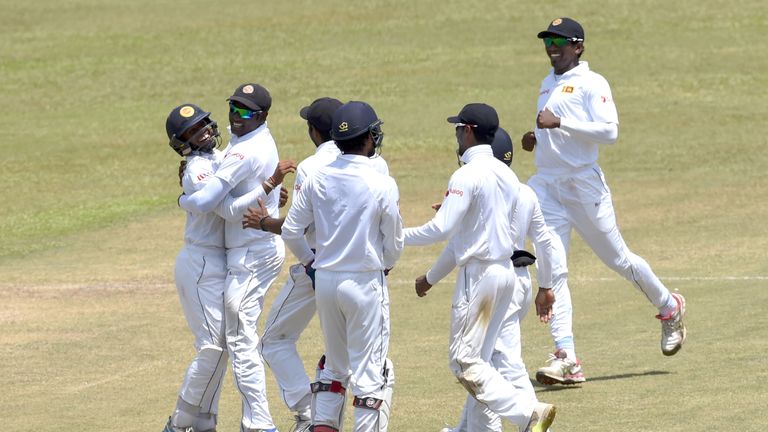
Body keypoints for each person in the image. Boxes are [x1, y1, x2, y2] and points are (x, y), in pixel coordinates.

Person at [520, 17, 687, 385]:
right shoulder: (548, 83)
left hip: (583, 187)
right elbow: (555, 126)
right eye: (548, 40)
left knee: (619, 260)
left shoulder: (593, 83)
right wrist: (537, 137)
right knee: (553, 266)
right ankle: (567, 357)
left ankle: (668, 306)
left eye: (559, 41)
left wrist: (559, 124)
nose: (551, 46)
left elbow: (609, 131)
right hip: (547, 187)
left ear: (578, 46)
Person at [241, 97, 392, 432]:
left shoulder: (311, 167)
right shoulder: (376, 165)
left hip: (318, 270)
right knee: (366, 362)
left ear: (314, 131)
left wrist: (268, 224)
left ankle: (311, 414)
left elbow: (302, 227)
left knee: (276, 341)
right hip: (365, 272)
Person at [406, 103, 556, 432]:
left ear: (469, 130)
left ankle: (527, 412)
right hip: (505, 275)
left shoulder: (466, 174)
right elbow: (464, 231)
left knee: (463, 361)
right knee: (480, 363)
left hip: (480, 277)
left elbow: (441, 230)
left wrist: (393, 238)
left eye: (458, 129)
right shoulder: (507, 174)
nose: (457, 136)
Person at [178, 83, 295, 432]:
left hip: (250, 254)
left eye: (245, 112)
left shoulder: (243, 151)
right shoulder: (241, 143)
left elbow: (223, 210)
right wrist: (269, 190)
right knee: (224, 344)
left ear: (262, 116)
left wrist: (268, 188)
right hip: (239, 255)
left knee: (238, 342)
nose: (236, 117)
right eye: (233, 107)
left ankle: (257, 425)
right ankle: (206, 422)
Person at [281, 101, 403, 432]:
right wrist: (387, 265)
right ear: (367, 139)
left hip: (327, 283)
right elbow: (394, 240)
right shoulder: (381, 181)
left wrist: (311, 263)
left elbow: (291, 230)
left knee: (334, 368)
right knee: (370, 374)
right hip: (364, 283)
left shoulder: (318, 177)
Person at [162, 104, 229, 432]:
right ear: (182, 141)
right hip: (200, 263)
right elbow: (220, 205)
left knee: (224, 347)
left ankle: (204, 423)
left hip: (218, 261)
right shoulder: (196, 170)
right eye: (193, 129)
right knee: (212, 347)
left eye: (204, 123)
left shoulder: (218, 157)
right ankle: (179, 423)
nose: (203, 130)